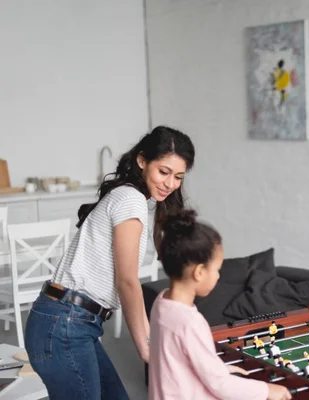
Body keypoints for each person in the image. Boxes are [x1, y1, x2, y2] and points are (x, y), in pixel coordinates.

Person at [24, 126, 196, 399]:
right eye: (163, 172)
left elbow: (129, 283)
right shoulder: (131, 199)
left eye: (178, 177)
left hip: (73, 322)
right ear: (142, 161)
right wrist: (146, 348)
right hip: (65, 323)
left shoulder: (129, 197)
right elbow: (127, 281)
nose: (170, 183)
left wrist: (150, 339)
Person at [148, 208, 291, 400]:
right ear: (199, 272)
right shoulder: (190, 322)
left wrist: (219, 367)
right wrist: (267, 390)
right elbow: (220, 385)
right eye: (217, 270)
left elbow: (179, 360)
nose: (218, 276)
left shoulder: (161, 302)